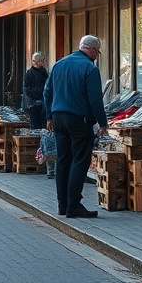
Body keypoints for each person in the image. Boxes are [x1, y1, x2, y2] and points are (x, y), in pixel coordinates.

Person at [44, 35, 108, 219]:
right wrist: (102, 122)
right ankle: (74, 205)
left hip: (58, 118)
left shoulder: (59, 64)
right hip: (79, 120)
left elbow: (47, 91)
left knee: (63, 160)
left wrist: (49, 116)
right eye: (97, 52)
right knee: (79, 160)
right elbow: (95, 99)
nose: (96, 56)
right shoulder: (89, 68)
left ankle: (62, 204)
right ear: (93, 51)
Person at [22, 52, 49, 129]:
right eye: (40, 60)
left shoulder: (43, 71)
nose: (42, 62)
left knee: (43, 124)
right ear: (35, 62)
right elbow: (27, 89)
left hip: (43, 101)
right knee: (36, 125)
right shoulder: (30, 73)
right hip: (34, 103)